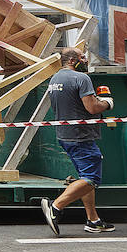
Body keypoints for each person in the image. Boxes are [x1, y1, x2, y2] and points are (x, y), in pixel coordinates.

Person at [38, 47, 116, 236]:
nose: (86, 59)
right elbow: (91, 107)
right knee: (92, 179)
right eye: (83, 57)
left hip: (65, 135)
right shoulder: (81, 78)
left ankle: (93, 220)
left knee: (84, 177)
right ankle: (55, 207)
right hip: (81, 136)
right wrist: (107, 102)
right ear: (73, 60)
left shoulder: (55, 79)